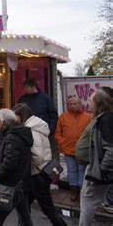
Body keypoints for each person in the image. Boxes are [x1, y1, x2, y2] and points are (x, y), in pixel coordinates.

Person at [13, 103, 67, 226]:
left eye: (15, 117)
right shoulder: (36, 125)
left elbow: (37, 155)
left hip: (38, 174)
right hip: (40, 173)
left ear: (22, 116)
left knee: (47, 208)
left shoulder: (31, 129)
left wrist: (27, 166)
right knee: (24, 205)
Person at [0, 109, 33, 226]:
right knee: (25, 217)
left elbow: (10, 162)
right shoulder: (17, 133)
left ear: (3, 122)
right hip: (20, 182)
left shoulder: (12, 137)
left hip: (12, 184)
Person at [79, 86, 113, 225]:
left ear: (99, 103)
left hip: (99, 171)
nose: (89, 103)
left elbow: (111, 150)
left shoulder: (106, 120)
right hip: (97, 168)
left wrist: (101, 170)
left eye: (91, 101)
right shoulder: (105, 118)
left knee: (88, 201)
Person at [55, 96, 93, 201]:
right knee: (71, 170)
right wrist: (63, 142)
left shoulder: (89, 117)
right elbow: (58, 133)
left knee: (81, 170)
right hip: (68, 150)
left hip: (83, 151)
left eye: (75, 103)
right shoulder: (63, 117)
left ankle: (81, 193)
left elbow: (93, 133)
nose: (72, 105)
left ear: (81, 104)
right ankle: (73, 192)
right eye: (70, 104)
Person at [18, 78, 59, 159]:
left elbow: (53, 115)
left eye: (27, 87)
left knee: (46, 155)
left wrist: (50, 130)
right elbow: (18, 113)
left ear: (33, 86)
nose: (25, 89)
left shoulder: (46, 98)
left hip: (43, 132)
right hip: (27, 131)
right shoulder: (22, 99)